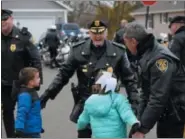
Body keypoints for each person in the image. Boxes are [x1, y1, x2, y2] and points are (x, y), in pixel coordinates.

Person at [40, 20, 139, 138]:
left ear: (106, 33)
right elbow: (63, 75)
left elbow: (129, 80)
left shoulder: (118, 51)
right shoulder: (78, 50)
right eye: (94, 33)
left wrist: (135, 104)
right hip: (86, 103)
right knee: (84, 134)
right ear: (90, 33)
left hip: (110, 106)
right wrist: (46, 95)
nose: (97, 36)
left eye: (101, 33)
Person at [123, 22, 185, 138]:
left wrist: (142, 129)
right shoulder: (146, 54)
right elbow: (146, 94)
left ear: (133, 41)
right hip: (167, 111)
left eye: (126, 42)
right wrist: (138, 124)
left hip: (176, 113)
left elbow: (158, 97)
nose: (126, 46)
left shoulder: (160, 60)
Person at [1, 9, 43, 138]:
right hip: (4, 84)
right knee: (7, 112)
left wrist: (37, 81)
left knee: (26, 111)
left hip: (21, 85)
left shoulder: (24, 37)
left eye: (4, 19)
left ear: (11, 19)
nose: (2, 23)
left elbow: (35, 59)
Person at [77, 68, 140, 138]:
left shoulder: (90, 101)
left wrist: (80, 128)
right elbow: (126, 113)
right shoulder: (117, 99)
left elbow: (82, 120)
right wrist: (134, 122)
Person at [12, 67, 43, 138]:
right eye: (38, 77)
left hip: (33, 129)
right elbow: (21, 112)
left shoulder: (31, 91)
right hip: (29, 132)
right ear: (31, 82)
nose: (40, 79)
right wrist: (19, 128)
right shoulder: (25, 95)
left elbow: (33, 112)